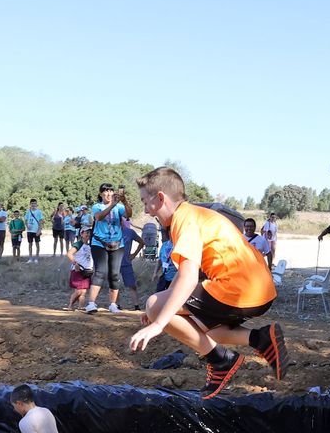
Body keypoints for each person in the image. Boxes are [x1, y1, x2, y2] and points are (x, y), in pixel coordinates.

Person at [129, 167, 284, 399]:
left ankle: (221, 361)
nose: (145, 210)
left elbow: (189, 278)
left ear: (160, 198)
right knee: (207, 331)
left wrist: (158, 320)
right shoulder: (197, 215)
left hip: (237, 290)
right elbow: (184, 273)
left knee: (154, 304)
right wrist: (162, 307)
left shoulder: (184, 220)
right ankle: (260, 339)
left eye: (145, 202)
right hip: (261, 291)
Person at [84, 185, 129, 314]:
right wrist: (112, 205)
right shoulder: (97, 206)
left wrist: (125, 202)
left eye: (110, 191)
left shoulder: (119, 207)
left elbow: (128, 215)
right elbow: (99, 217)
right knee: (100, 272)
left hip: (117, 244)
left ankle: (113, 304)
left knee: (114, 274)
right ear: (101, 194)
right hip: (99, 243)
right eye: (105, 191)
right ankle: (91, 304)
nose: (108, 193)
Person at [118, 216, 145, 310]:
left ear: (122, 222)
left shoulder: (130, 232)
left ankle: (136, 305)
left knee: (132, 285)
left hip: (126, 262)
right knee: (115, 285)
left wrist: (134, 254)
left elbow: (141, 242)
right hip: (114, 262)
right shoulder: (111, 233)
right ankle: (116, 304)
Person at [67, 238, 95, 310]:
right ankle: (70, 306)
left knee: (83, 291)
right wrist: (75, 263)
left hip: (87, 271)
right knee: (79, 290)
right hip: (78, 270)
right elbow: (69, 253)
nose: (88, 234)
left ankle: (80, 306)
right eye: (86, 233)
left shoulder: (90, 244)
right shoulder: (79, 244)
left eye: (89, 233)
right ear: (82, 234)